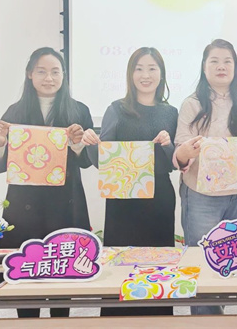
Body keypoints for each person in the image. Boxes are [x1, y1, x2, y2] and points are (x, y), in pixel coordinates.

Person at [0, 47, 93, 319]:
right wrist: (0, 142)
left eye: (55, 72)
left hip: (65, 207)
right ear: (29, 74)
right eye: (42, 71)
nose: (49, 78)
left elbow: (87, 161)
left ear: (64, 75)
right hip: (25, 210)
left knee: (62, 280)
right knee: (25, 280)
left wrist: (78, 144)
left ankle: (60, 323)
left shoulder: (79, 110)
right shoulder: (15, 111)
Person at [82, 47, 179, 317]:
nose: (145, 75)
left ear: (161, 74)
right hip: (122, 201)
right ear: (130, 74)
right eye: (139, 68)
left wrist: (168, 146)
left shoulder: (171, 112)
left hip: (159, 199)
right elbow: (103, 159)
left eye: (152, 68)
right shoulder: (116, 109)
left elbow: (175, 162)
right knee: (120, 269)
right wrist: (92, 144)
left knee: (157, 270)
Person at [173, 39, 237, 315]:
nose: (221, 67)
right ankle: (207, 320)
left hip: (234, 192)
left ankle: (217, 316)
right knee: (201, 260)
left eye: (227, 61)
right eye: (215, 61)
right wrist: (188, 150)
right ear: (204, 67)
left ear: (235, 67)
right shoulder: (192, 104)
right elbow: (181, 147)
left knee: (226, 258)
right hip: (200, 194)